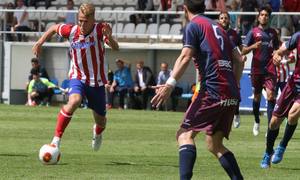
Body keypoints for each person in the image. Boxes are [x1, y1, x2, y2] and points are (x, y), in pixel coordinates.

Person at [151, 0, 244, 179]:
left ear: (185, 9)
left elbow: (185, 56)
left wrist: (170, 84)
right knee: (214, 144)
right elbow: (239, 59)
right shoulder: (219, 28)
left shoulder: (193, 26)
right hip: (230, 92)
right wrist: (235, 85)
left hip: (212, 89)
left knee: (184, 134)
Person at [32, 3, 119, 152]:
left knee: (101, 122)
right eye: (80, 20)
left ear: (93, 19)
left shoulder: (100, 30)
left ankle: (97, 132)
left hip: (97, 82)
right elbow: (53, 28)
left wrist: (109, 37)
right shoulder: (71, 30)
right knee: (75, 101)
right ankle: (56, 141)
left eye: (85, 21)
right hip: (77, 77)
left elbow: (116, 47)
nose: (82, 24)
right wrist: (40, 42)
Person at [260, 31, 300, 169]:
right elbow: (280, 51)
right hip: (292, 84)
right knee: (274, 122)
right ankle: (268, 152)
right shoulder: (298, 37)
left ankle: (282, 146)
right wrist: (277, 55)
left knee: (293, 113)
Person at [242, 6, 280, 136]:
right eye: (262, 14)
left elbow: (277, 49)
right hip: (256, 69)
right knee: (257, 98)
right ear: (258, 17)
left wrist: (277, 55)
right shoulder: (253, 32)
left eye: (266, 15)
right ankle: (257, 120)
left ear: (269, 17)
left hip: (270, 69)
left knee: (270, 96)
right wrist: (253, 46)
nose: (264, 17)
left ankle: (270, 127)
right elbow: (242, 50)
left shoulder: (273, 33)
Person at [218, 11, 245, 128]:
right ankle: (219, 115)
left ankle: (236, 113)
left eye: (226, 18)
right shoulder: (216, 32)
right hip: (219, 64)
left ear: (229, 20)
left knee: (235, 89)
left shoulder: (234, 34)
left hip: (232, 65)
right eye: (222, 18)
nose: (224, 20)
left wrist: (243, 55)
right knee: (219, 90)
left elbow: (242, 49)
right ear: (219, 20)